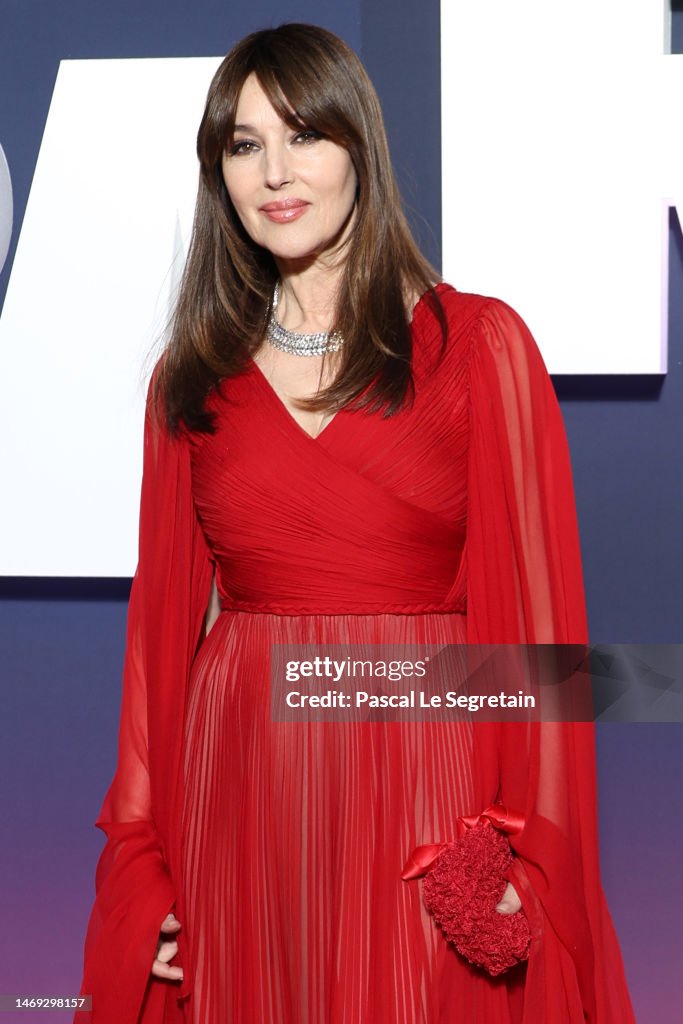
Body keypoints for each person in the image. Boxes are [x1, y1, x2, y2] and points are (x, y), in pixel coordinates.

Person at [75, 22, 635, 1024]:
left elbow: (539, 646)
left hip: (426, 789)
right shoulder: (192, 378)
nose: (275, 173)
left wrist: (528, 852)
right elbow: (155, 651)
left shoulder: (478, 347)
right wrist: (144, 867)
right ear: (219, 173)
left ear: (357, 149)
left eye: (304, 135)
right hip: (241, 793)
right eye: (244, 145)